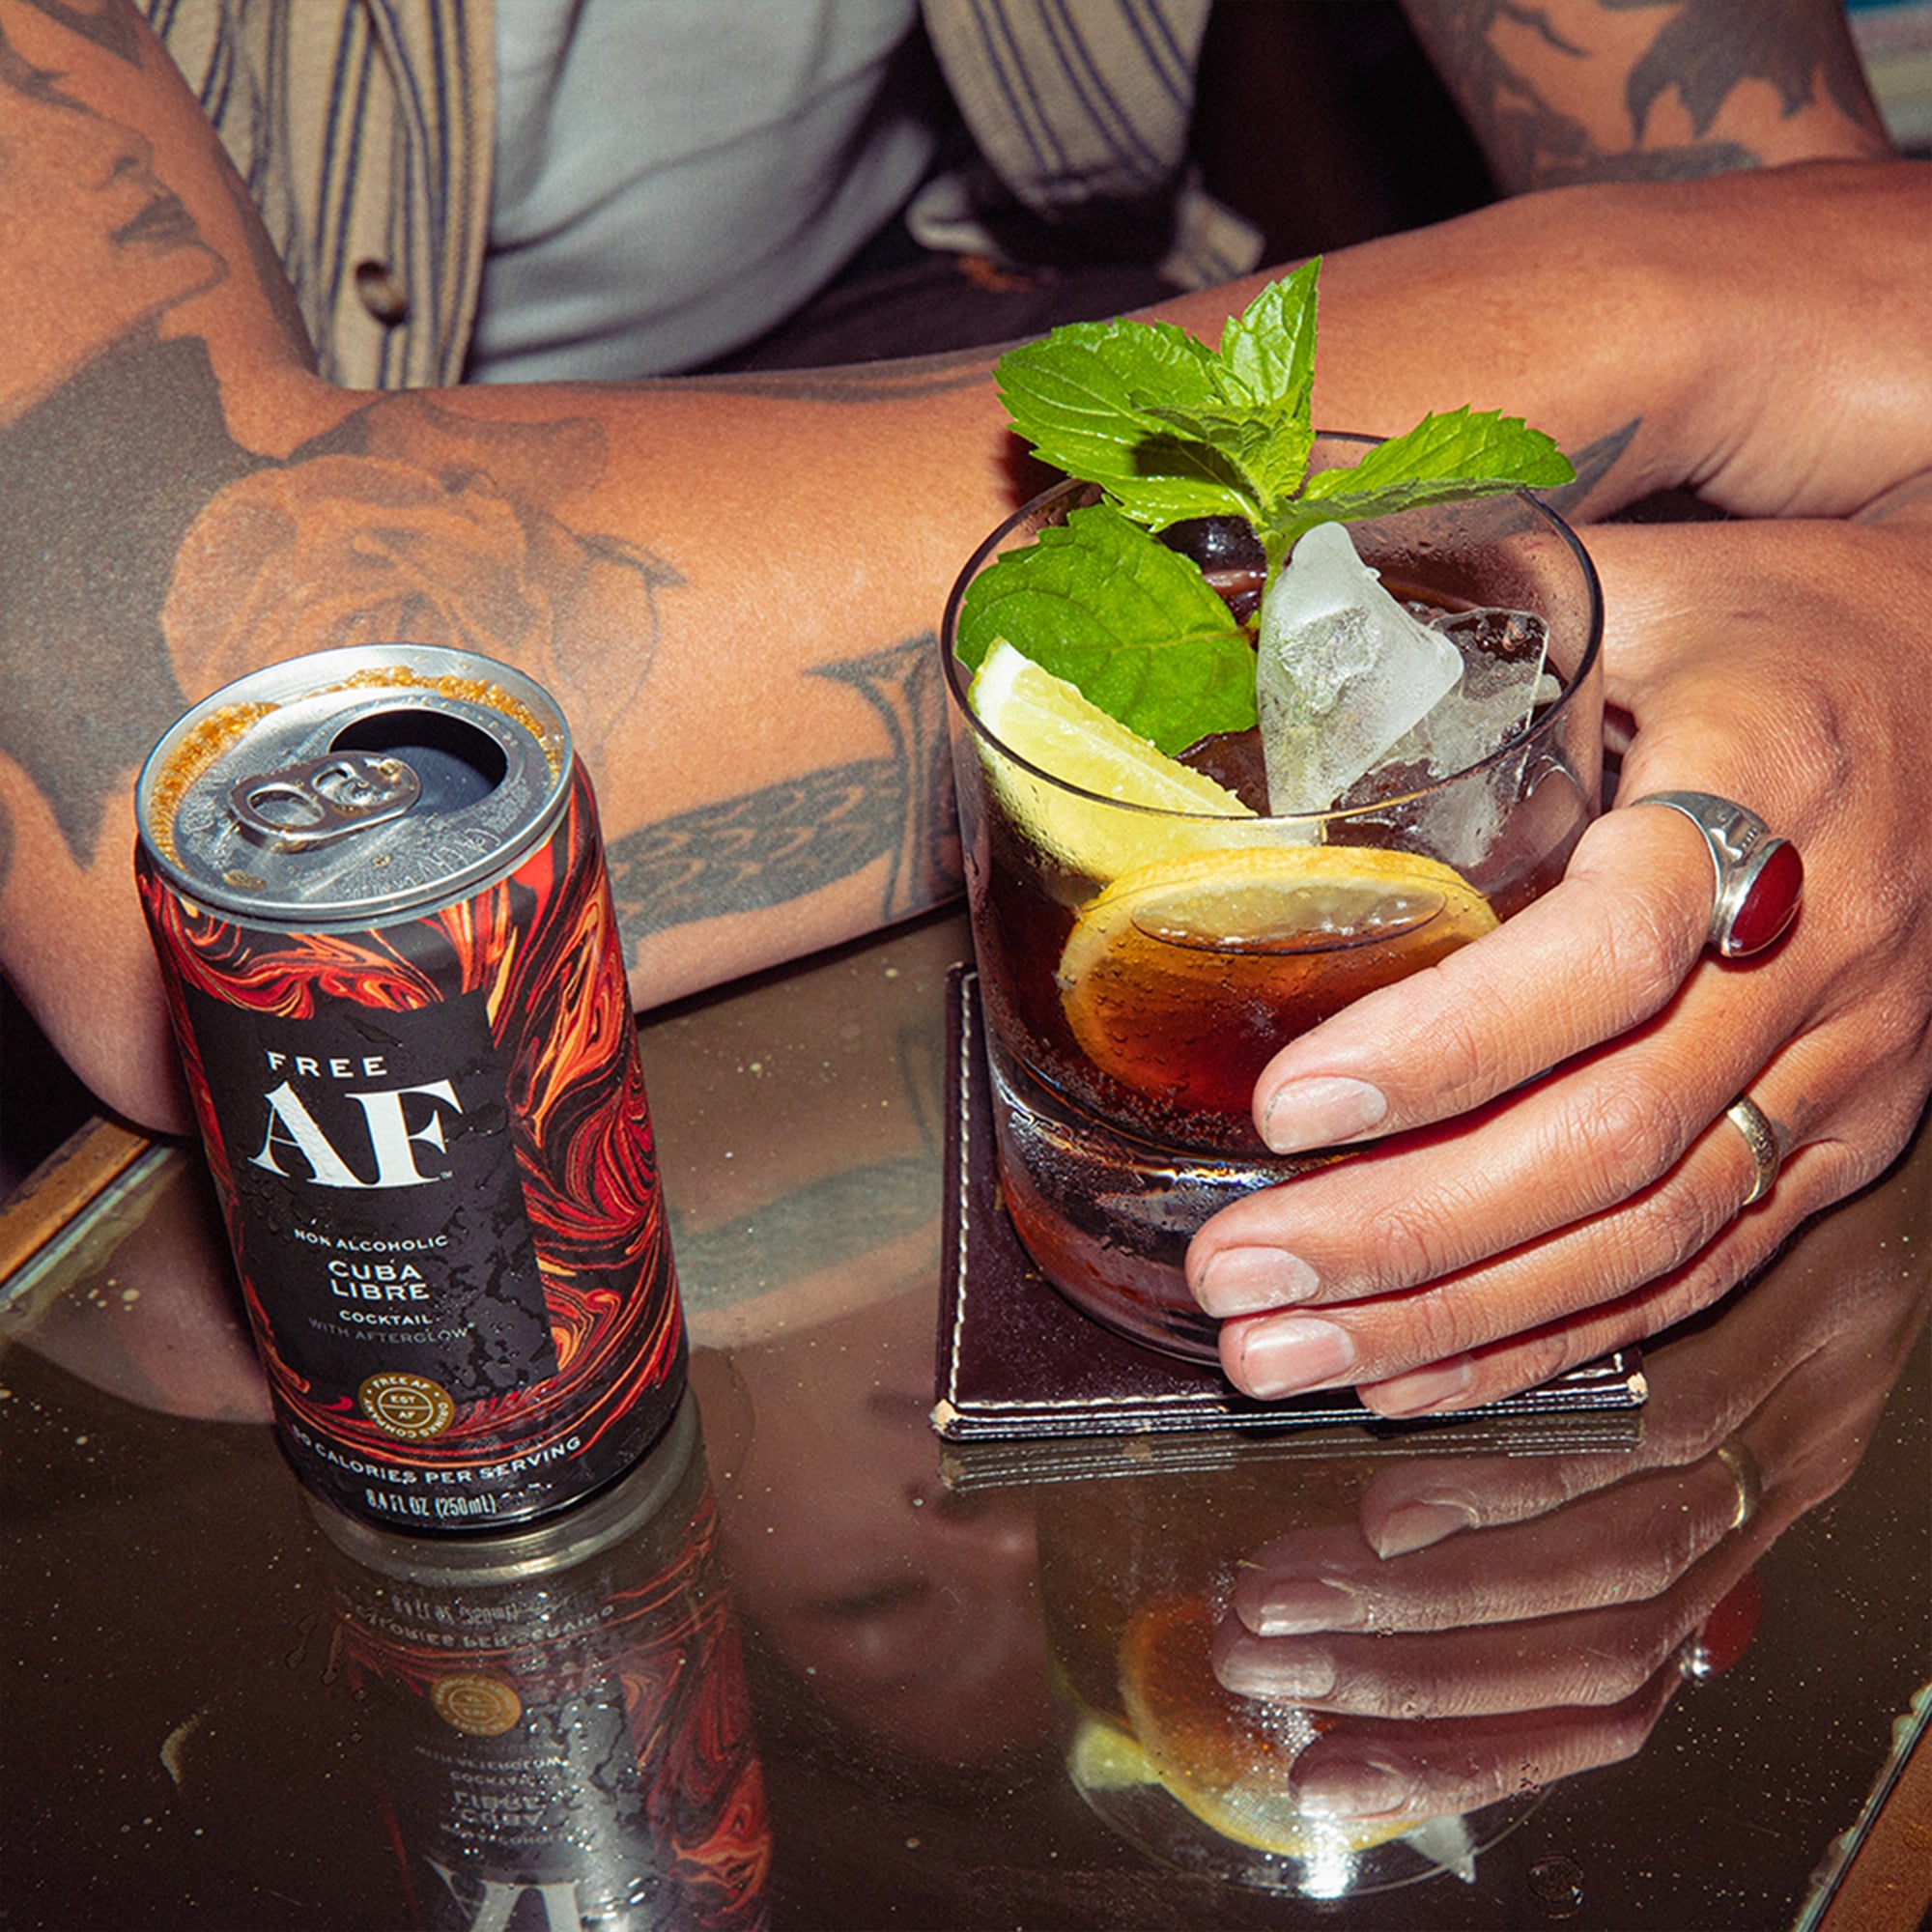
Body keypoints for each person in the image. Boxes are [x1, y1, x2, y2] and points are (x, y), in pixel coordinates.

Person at [2, 0, 1928, 1416]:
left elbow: (1853, 300)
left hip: (952, 327)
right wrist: (1665, 304)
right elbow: (208, 786)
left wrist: (1888, 615)